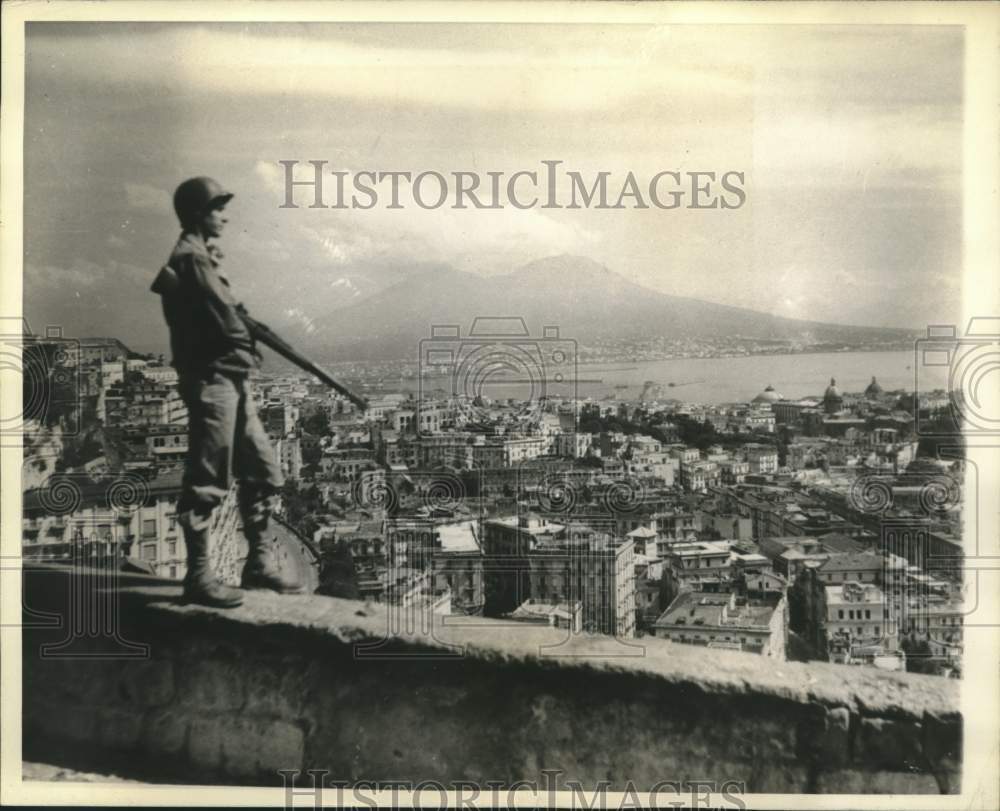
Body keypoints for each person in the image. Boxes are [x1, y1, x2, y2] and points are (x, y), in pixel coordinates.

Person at [151, 176, 303, 607]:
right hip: (212, 381)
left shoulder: (204, 258)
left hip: (232, 379)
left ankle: (257, 564)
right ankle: (199, 576)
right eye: (218, 208)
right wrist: (250, 342)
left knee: (263, 469)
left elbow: (229, 318)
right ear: (199, 213)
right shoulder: (191, 260)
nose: (225, 215)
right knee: (209, 479)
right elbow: (225, 323)